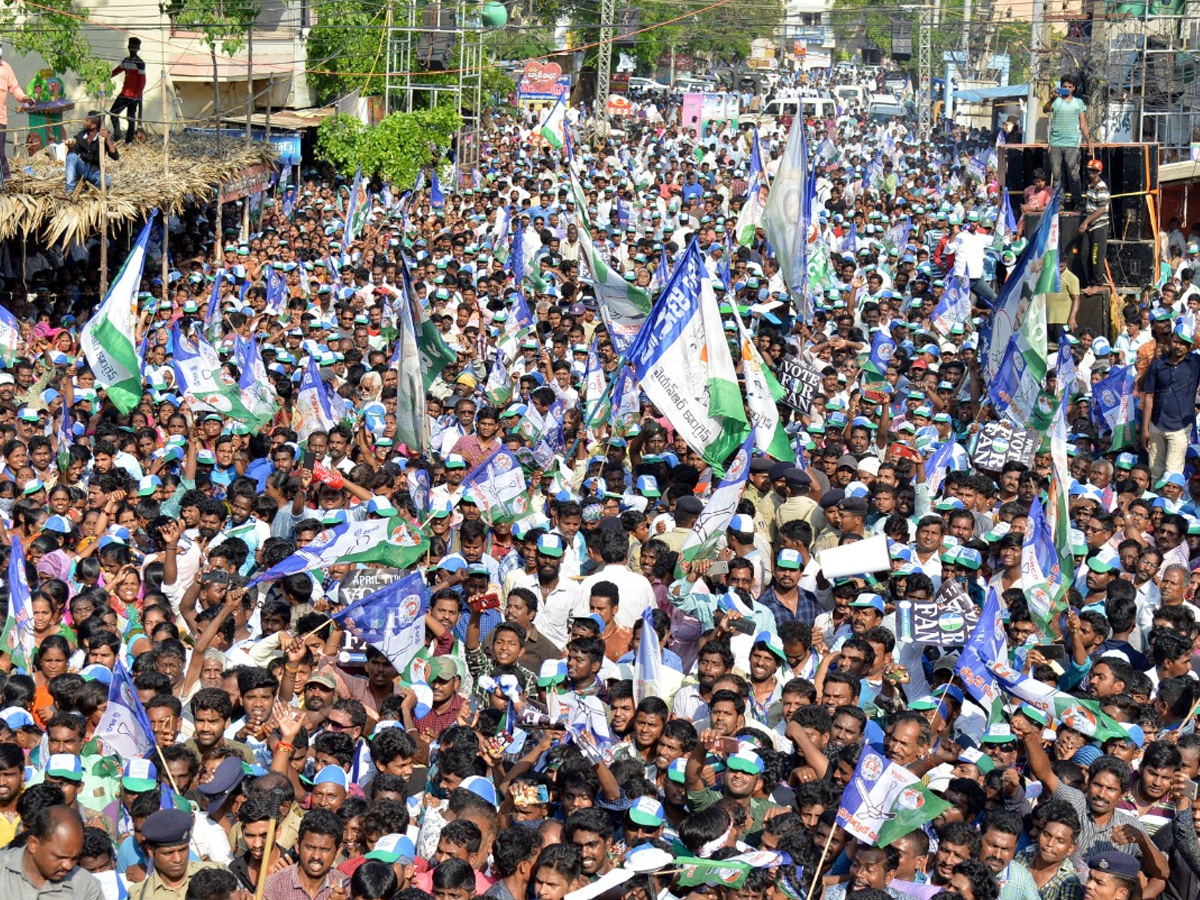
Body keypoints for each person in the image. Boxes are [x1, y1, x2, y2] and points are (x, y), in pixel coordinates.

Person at [1042, 75, 1092, 210]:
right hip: (1056, 142)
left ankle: (1078, 202)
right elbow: (1045, 109)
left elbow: (1083, 123)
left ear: (1074, 88)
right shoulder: (1056, 101)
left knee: (1073, 173)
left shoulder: (1078, 103)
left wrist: (1089, 142)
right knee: (1057, 175)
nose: (1067, 89)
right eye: (1064, 87)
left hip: (1072, 143)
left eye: (1070, 87)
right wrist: (1052, 98)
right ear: (1061, 87)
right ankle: (1059, 202)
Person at [65, 111, 118, 196]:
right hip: (82, 168)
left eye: (87, 121)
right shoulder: (81, 135)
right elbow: (73, 154)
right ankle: (70, 189)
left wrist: (107, 138)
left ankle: (90, 187)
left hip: (94, 171)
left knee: (106, 181)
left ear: (93, 125)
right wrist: (70, 147)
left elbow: (115, 156)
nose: (84, 122)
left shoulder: (102, 139)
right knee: (71, 156)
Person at [1079, 159, 1111, 295]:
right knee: (1084, 254)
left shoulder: (1101, 187)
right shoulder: (1090, 185)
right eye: (1090, 170)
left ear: (1099, 172)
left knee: (1096, 256)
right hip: (1090, 225)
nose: (1092, 173)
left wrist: (1086, 221)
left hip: (1099, 225)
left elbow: (1102, 209)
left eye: (1095, 171)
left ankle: (1097, 283)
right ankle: (1089, 282)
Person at [0, 44, 30, 180]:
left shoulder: (5, 68)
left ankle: (5, 179)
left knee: (0, 150)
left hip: (0, 118)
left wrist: (24, 98)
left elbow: (15, 88)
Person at [109, 38, 145, 144]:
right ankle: (117, 136)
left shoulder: (140, 63)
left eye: (134, 47)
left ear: (138, 48)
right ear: (128, 47)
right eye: (130, 46)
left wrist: (137, 94)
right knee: (113, 114)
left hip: (134, 96)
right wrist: (106, 77)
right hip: (124, 93)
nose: (132, 49)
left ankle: (128, 141)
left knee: (130, 118)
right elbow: (117, 70)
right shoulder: (126, 60)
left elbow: (142, 81)